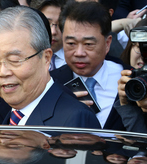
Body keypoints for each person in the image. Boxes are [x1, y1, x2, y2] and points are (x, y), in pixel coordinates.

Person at [0, 5, 100, 127]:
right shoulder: (1, 112)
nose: (3, 72)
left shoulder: (75, 118)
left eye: (14, 60)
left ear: (46, 58)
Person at [50, 1, 132, 130]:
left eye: (88, 44)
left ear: (107, 44)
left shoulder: (131, 81)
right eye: (71, 43)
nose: (79, 53)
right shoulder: (49, 83)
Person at [114, 19, 147, 133]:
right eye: (138, 47)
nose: (143, 55)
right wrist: (125, 105)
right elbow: (137, 144)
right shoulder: (127, 82)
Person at [30, 0, 66, 70]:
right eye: (47, 23)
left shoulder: (76, 60)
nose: (53, 31)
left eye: (60, 24)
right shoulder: (23, 58)